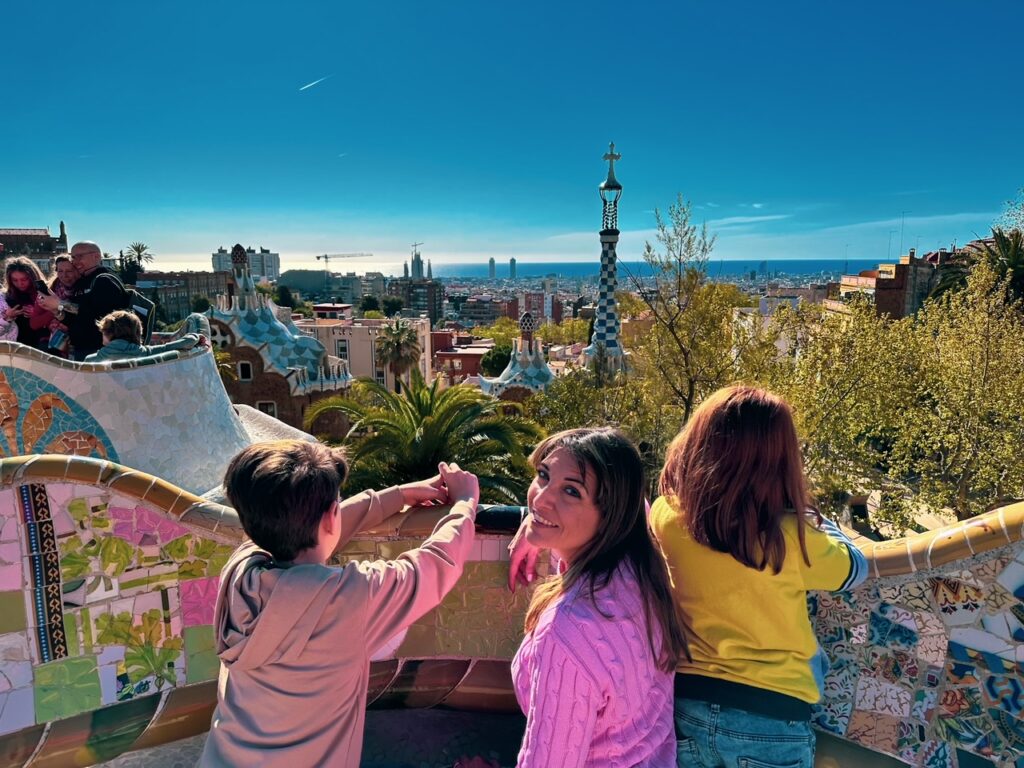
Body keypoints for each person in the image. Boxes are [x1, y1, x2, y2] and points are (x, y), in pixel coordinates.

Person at [198, 440, 479, 768]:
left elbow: (303, 528)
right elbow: (435, 565)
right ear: (331, 517)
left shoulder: (240, 570)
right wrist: (464, 503)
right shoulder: (350, 598)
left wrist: (397, 496)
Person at [650, 386, 868, 768]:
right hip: (773, 716)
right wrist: (813, 518)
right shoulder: (792, 538)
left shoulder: (668, 517)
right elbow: (855, 568)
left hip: (687, 706)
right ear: (781, 460)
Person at [504, 428, 686, 767]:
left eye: (571, 491)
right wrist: (538, 524)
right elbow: (634, 503)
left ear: (610, 517)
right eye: (542, 476)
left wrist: (542, 522)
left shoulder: (566, 632)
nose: (541, 498)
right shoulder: (638, 569)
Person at [37, 241, 128, 360]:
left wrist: (60, 304)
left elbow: (99, 316)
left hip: (101, 350)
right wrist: (56, 311)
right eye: (73, 257)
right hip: (82, 348)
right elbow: (77, 318)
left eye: (79, 257)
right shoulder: (83, 281)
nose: (75, 262)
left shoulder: (104, 280)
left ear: (96, 257)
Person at [83, 310, 205, 362]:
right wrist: (197, 337)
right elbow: (186, 342)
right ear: (137, 333)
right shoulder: (149, 353)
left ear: (108, 333)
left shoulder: (91, 360)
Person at [2, 257, 54, 349]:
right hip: (16, 345)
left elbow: (56, 315)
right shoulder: (5, 297)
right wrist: (7, 316)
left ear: (33, 277)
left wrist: (37, 313)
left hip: (43, 344)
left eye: (24, 279)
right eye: (15, 280)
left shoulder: (44, 292)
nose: (20, 284)